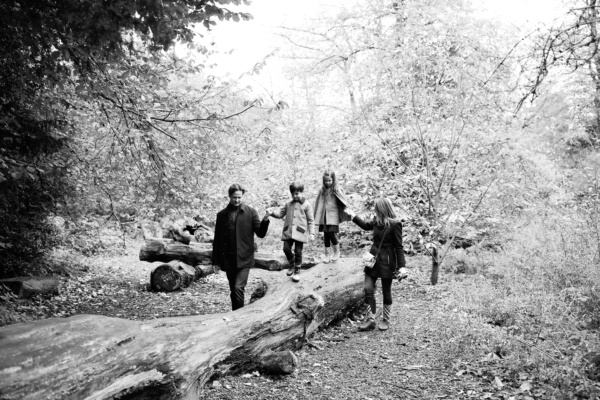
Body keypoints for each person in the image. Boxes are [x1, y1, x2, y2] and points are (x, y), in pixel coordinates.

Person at [347, 198, 408, 331]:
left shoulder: (395, 224)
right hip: (373, 260)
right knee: (368, 288)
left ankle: (386, 320)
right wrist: (353, 215)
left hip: (387, 261)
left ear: (383, 209)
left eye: (377, 209)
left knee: (386, 291)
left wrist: (402, 267)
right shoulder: (376, 221)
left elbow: (399, 247)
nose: (375, 211)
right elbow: (364, 225)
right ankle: (370, 319)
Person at [212, 184, 270, 310]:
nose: (237, 200)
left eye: (239, 197)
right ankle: (235, 315)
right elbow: (217, 240)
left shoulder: (251, 212)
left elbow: (260, 233)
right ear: (229, 196)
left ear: (242, 196)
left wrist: (265, 220)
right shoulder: (221, 215)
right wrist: (215, 261)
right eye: (234, 197)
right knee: (233, 289)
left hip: (244, 258)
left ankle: (239, 316)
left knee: (239, 288)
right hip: (228, 259)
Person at [268, 182, 315, 282]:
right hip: (288, 232)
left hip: (300, 232)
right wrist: (272, 213)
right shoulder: (288, 204)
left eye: (297, 193)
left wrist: (312, 233)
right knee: (286, 248)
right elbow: (280, 214)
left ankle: (297, 271)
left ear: (302, 192)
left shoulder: (307, 205)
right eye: (293, 194)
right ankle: (292, 263)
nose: (295, 196)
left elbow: (311, 220)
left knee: (298, 251)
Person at [313, 169, 352, 263]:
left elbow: (343, 200)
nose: (328, 183)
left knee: (330, 233)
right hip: (324, 216)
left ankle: (336, 251)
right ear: (323, 181)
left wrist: (347, 210)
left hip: (333, 215)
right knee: (326, 235)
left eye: (329, 180)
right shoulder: (322, 190)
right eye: (326, 181)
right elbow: (318, 203)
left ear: (333, 180)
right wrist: (316, 216)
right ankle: (327, 255)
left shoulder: (336, 189)